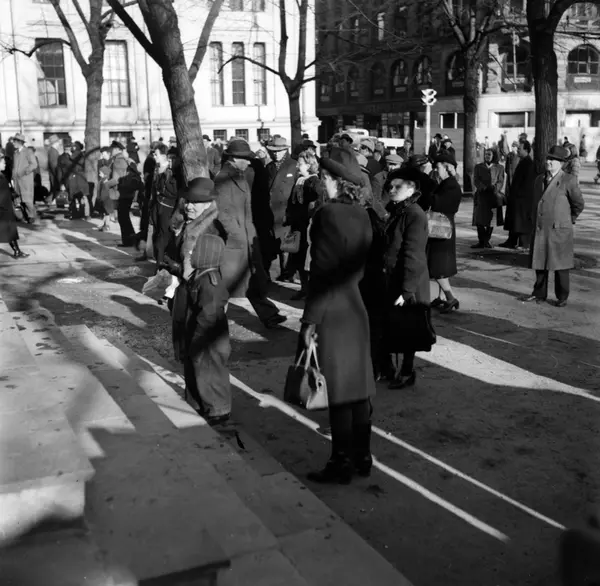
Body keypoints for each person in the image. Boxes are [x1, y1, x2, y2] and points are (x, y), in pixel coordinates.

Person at [301, 147, 375, 485]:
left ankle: (341, 462)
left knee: (339, 390)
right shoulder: (362, 214)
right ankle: (362, 456)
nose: (321, 182)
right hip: (355, 306)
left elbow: (322, 272)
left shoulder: (327, 215)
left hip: (332, 310)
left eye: (323, 177)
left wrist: (310, 320)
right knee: (358, 388)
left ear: (333, 180)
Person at [215, 138, 286, 329]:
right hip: (233, 241)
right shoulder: (223, 178)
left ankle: (268, 314)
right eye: (245, 159)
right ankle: (212, 321)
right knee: (226, 285)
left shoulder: (239, 175)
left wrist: (250, 235)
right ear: (234, 158)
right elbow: (222, 213)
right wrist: (236, 234)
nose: (248, 162)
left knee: (254, 280)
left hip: (247, 236)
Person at [180, 179, 231, 425]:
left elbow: (217, 266)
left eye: (195, 202)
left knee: (207, 354)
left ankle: (216, 407)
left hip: (205, 291)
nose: (189, 206)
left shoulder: (211, 229)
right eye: (188, 201)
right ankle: (199, 400)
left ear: (208, 203)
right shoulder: (191, 224)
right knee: (194, 352)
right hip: (193, 288)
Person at [381, 167, 430, 390]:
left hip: (409, 280)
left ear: (411, 189)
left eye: (397, 186)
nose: (391, 189)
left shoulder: (414, 214)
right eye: (390, 186)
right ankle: (389, 368)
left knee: (409, 329)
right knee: (394, 326)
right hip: (394, 277)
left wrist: (407, 290)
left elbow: (414, 254)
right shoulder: (397, 209)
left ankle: (407, 371)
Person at [521, 146, 584, 308]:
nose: (548, 161)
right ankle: (539, 293)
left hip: (559, 229)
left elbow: (578, 204)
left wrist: (568, 220)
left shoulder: (568, 180)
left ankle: (562, 296)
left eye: (552, 160)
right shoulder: (539, 180)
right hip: (541, 228)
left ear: (561, 163)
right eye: (548, 158)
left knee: (560, 265)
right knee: (540, 262)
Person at [284, 150, 327, 300]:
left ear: (309, 165)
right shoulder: (299, 180)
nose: (297, 166)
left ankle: (309, 289)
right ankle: (303, 287)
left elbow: (317, 203)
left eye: (300, 163)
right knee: (296, 255)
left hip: (306, 225)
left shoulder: (314, 182)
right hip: (296, 224)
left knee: (305, 257)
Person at [428, 154, 463, 313]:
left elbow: (438, 203)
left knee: (437, 266)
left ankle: (450, 298)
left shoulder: (451, 186)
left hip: (442, 228)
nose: (436, 170)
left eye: (438, 167)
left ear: (447, 167)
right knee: (441, 265)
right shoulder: (448, 184)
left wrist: (429, 194)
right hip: (443, 227)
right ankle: (441, 297)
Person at [266, 136, 297, 278]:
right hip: (271, 212)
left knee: (287, 244)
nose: (276, 154)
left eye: (279, 151)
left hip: (286, 212)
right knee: (272, 245)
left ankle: (288, 272)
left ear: (285, 150)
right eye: (273, 151)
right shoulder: (269, 167)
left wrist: (291, 212)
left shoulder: (294, 166)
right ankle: (276, 273)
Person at [500, 140, 535, 250]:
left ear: (526, 150)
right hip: (516, 197)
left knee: (521, 222)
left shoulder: (528, 163)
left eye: (520, 149)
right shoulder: (522, 161)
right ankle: (511, 241)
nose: (517, 150)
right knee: (514, 221)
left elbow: (527, 183)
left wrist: (519, 194)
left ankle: (523, 243)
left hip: (522, 199)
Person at [150, 143, 179, 267]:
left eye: (156, 154)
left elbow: (173, 192)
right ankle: (159, 261)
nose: (154, 157)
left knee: (164, 236)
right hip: (158, 206)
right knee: (157, 235)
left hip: (168, 208)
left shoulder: (174, 173)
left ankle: (161, 264)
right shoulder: (159, 170)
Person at [472, 149, 505, 248]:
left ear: (494, 156)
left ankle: (486, 240)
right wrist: (483, 188)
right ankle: (481, 241)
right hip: (481, 196)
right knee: (479, 219)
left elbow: (500, 181)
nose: (487, 156)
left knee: (491, 220)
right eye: (486, 154)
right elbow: (476, 180)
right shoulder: (478, 167)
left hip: (493, 197)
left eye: (489, 154)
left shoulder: (500, 167)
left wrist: (495, 188)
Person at [0, 154, 28, 258]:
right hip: (3, 208)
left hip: (5, 207)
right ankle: (17, 251)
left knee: (9, 230)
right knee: (9, 230)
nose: (5, 164)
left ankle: (17, 251)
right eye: (3, 163)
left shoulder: (2, 175)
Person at [11, 133, 38, 225]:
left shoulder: (28, 151)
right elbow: (14, 166)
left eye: (14, 141)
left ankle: (31, 216)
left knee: (27, 200)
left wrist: (25, 171)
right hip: (17, 180)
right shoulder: (15, 153)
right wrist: (13, 176)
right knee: (19, 199)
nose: (13, 143)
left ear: (19, 142)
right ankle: (24, 215)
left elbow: (34, 164)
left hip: (25, 180)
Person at [116, 159, 143, 247]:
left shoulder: (133, 177)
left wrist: (121, 184)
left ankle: (129, 240)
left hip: (126, 199)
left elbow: (131, 187)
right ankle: (129, 239)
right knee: (124, 219)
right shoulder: (128, 177)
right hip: (124, 198)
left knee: (124, 219)